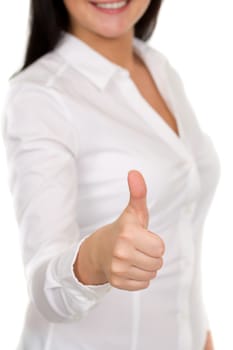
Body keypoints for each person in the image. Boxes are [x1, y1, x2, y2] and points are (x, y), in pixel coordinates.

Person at [0, 0, 220, 349]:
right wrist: (95, 258)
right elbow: (44, 286)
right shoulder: (39, 96)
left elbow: (183, 227)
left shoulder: (158, 67)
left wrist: (198, 334)